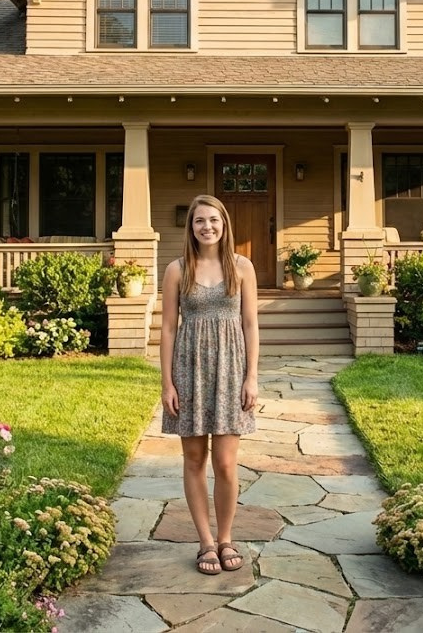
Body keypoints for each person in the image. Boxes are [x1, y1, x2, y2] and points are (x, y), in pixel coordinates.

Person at [160, 194, 259, 575]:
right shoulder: (177, 269)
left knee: (226, 462)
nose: (207, 227)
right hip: (189, 370)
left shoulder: (242, 267)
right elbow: (169, 327)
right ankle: (205, 542)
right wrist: (167, 382)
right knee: (194, 458)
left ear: (224, 224)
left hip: (231, 370)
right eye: (200, 221)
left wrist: (252, 376)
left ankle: (226, 538)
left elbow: (250, 324)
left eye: (213, 220)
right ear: (191, 227)